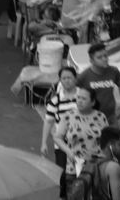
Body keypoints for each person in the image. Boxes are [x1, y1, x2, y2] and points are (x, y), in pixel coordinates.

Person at [52, 86, 109, 183]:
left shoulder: (101, 116)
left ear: (93, 102)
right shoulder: (68, 115)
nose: (79, 101)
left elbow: (108, 139)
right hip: (74, 166)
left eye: (84, 98)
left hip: (97, 166)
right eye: (78, 98)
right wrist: (68, 151)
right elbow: (57, 137)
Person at [40, 66, 79, 195]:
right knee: (62, 174)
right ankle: (63, 196)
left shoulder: (83, 97)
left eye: (70, 78)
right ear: (60, 80)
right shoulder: (55, 101)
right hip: (61, 144)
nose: (67, 81)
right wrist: (44, 143)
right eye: (64, 78)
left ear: (75, 79)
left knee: (82, 175)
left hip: (81, 143)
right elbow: (48, 122)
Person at [76, 42, 120, 124]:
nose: (104, 59)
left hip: (111, 117)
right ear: (92, 61)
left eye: (105, 56)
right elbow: (70, 91)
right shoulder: (84, 75)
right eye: (99, 57)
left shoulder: (113, 71)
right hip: (91, 119)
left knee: (116, 136)